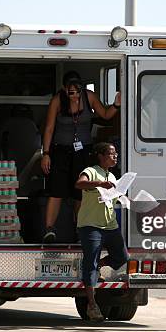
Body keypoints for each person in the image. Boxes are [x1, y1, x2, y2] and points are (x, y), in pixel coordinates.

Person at [41, 71, 121, 243]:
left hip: (83, 150)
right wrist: (45, 154)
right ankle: (49, 229)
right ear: (64, 89)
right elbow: (48, 128)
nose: (75, 96)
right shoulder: (57, 100)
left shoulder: (89, 97)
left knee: (81, 192)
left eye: (78, 92)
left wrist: (116, 105)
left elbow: (105, 115)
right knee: (57, 191)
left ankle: (80, 231)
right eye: (71, 93)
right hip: (60, 150)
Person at [74, 142, 128, 322]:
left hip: (110, 225)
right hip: (91, 225)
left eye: (116, 154)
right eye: (112, 154)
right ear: (101, 156)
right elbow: (79, 184)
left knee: (122, 257)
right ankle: (92, 305)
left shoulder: (112, 175)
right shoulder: (91, 171)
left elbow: (112, 196)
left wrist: (124, 199)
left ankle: (99, 265)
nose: (115, 157)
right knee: (89, 263)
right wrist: (99, 184)